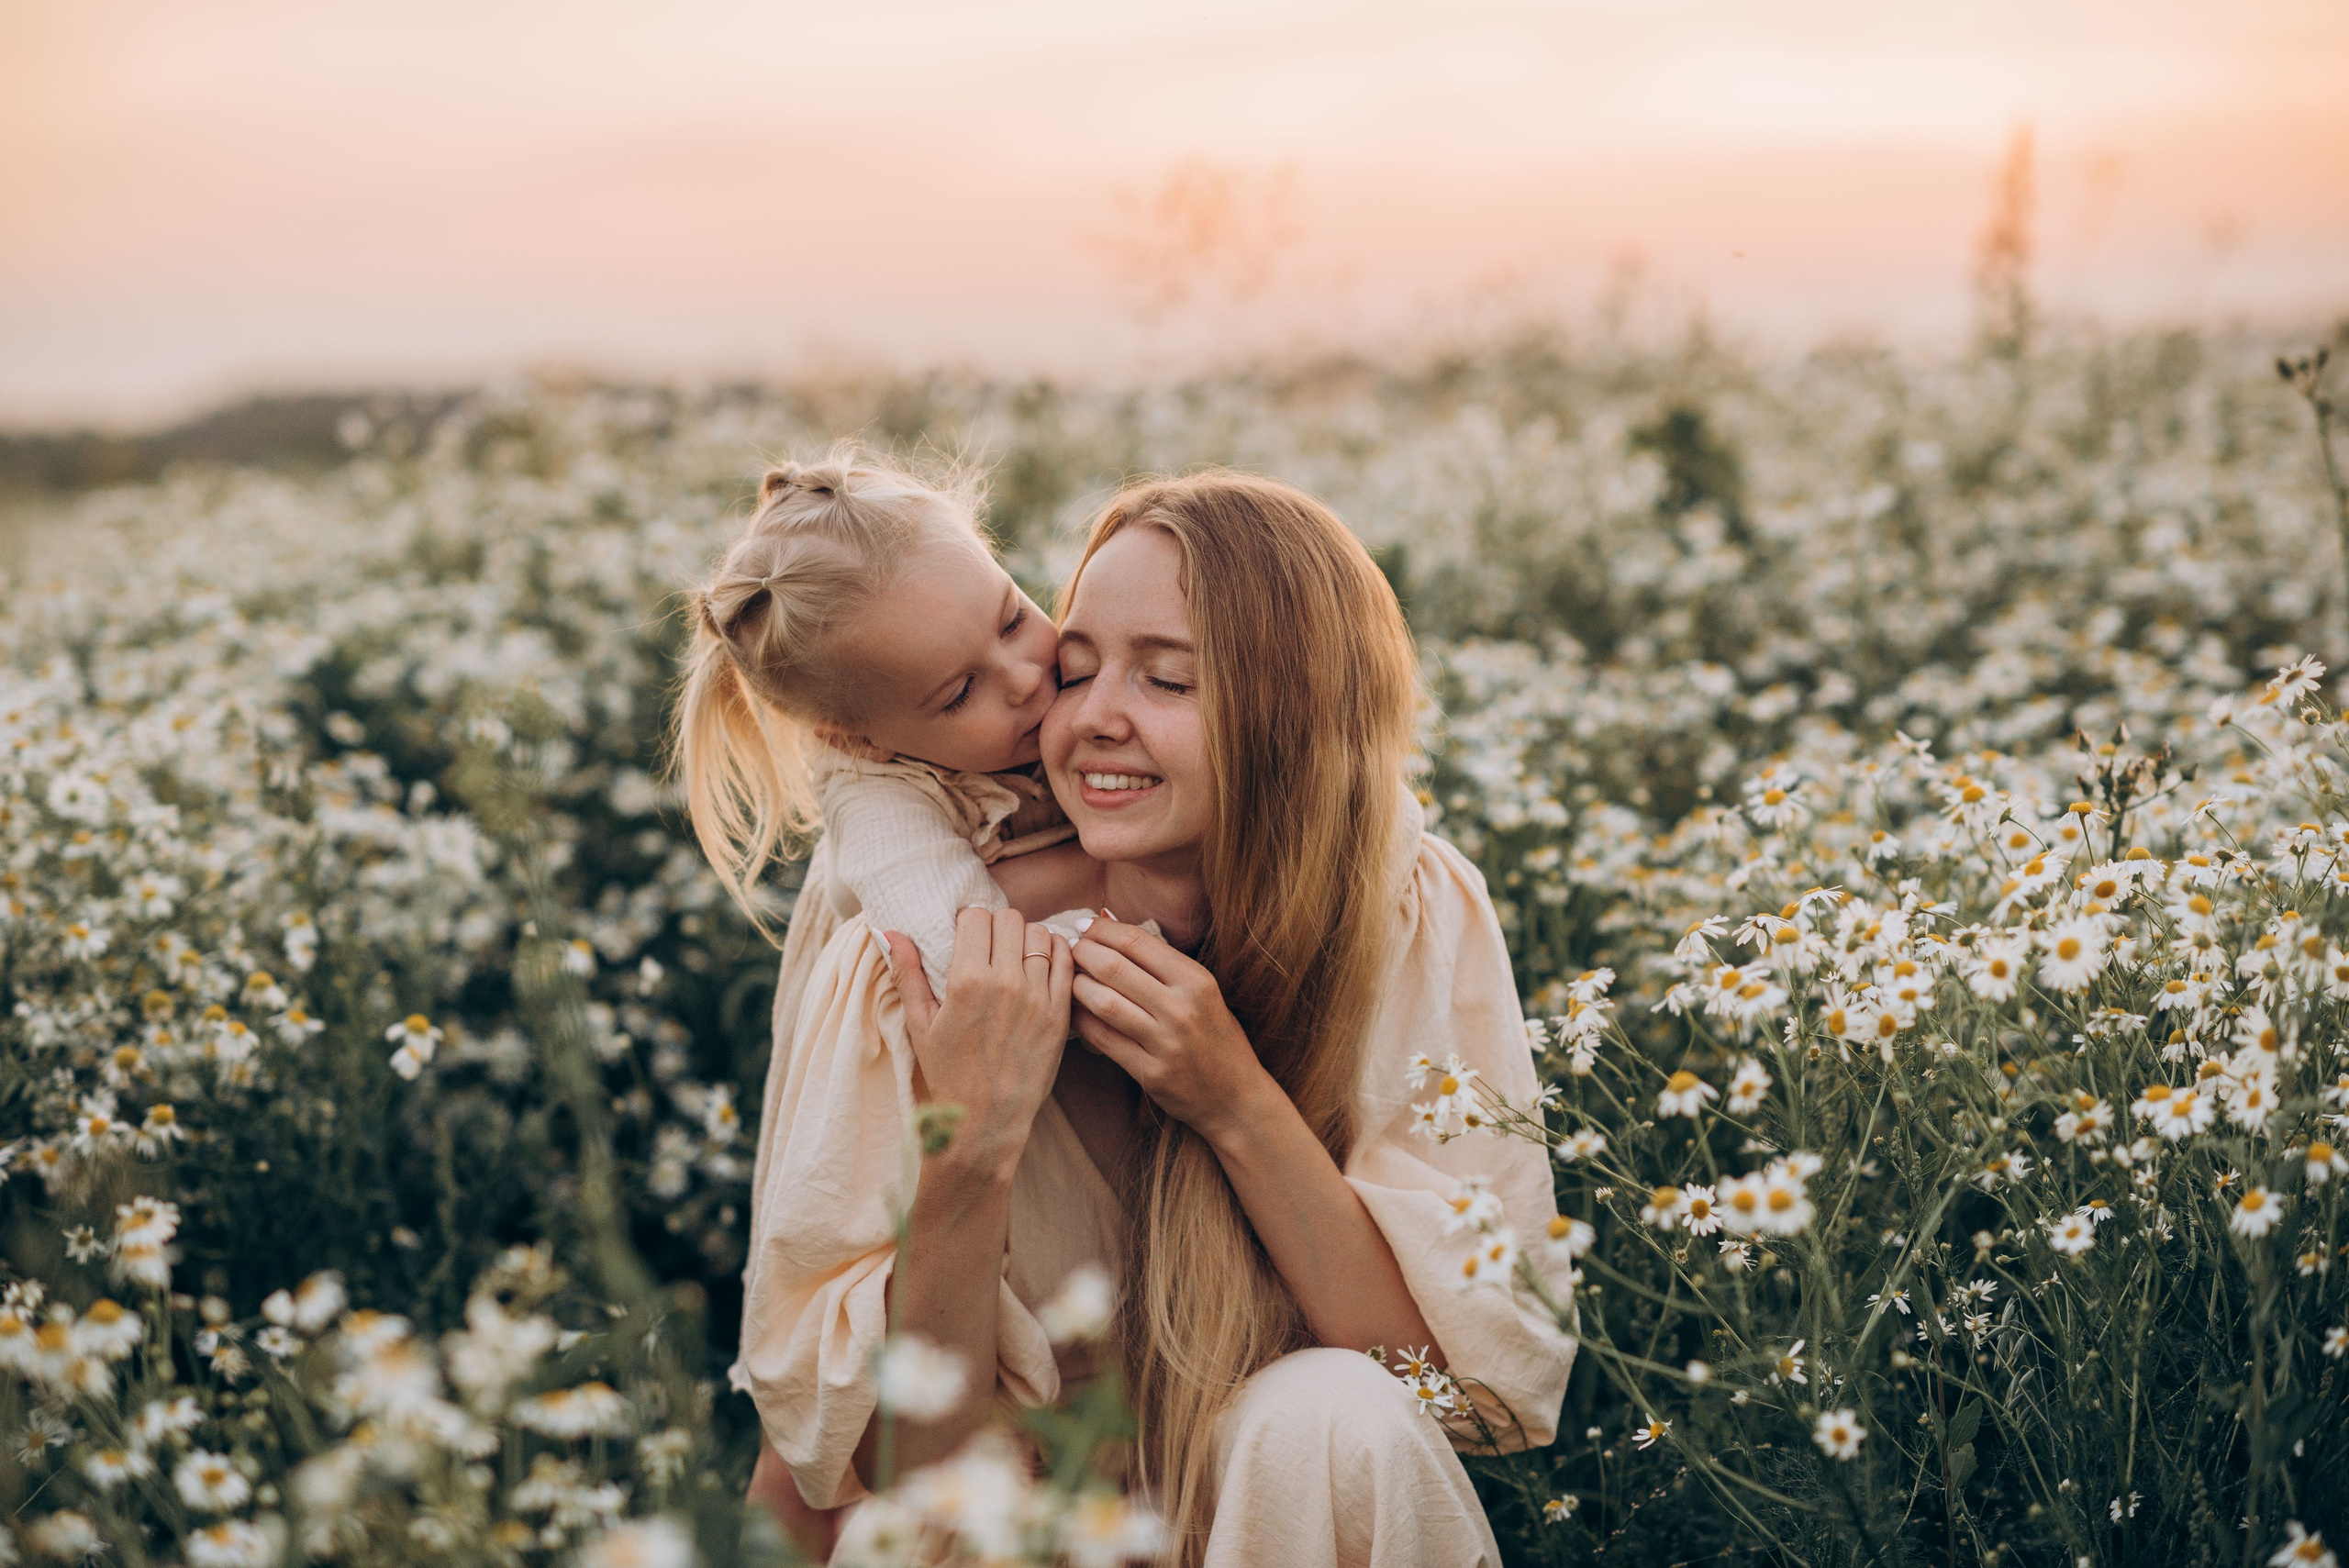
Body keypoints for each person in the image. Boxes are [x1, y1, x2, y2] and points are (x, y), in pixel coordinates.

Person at [725, 472, 1575, 1566]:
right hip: (1003, 1532)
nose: (1077, 713)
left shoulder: (1396, 908)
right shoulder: (913, 964)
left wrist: (1232, 1100)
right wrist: (971, 1141)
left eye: (1165, 677)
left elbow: (1464, 1398)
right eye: (1079, 667)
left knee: (1333, 1415)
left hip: (1249, 1520)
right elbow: (908, 1478)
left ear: (1296, 710)